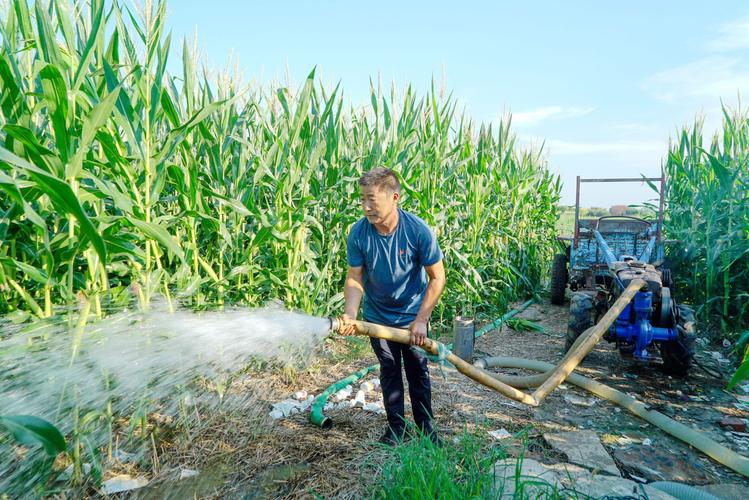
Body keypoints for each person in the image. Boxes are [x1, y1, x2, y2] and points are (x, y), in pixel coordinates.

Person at [339, 167, 446, 446]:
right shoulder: (359, 234)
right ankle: (396, 428)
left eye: (372, 199)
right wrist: (351, 314)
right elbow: (355, 277)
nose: (365, 207)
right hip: (377, 317)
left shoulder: (417, 231)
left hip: (413, 316)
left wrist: (422, 319)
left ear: (394, 197)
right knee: (389, 370)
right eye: (362, 199)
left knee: (417, 371)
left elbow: (437, 277)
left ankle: (426, 428)